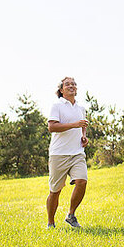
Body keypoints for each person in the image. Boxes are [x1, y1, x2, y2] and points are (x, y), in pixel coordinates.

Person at [46, 76, 89, 229]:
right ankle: (51, 223)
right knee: (55, 191)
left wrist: (84, 136)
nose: (71, 86)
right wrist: (74, 125)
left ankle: (71, 215)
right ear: (61, 90)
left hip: (77, 152)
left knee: (82, 181)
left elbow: (82, 125)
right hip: (59, 154)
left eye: (74, 84)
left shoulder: (81, 108)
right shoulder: (56, 105)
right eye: (67, 84)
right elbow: (52, 127)